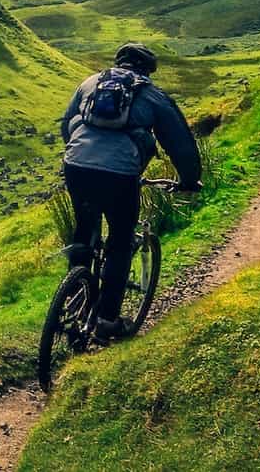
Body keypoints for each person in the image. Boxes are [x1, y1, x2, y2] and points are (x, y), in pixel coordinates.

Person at [58, 42, 202, 342]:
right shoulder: (152, 95)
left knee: (84, 231)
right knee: (121, 242)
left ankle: (75, 297)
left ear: (118, 62)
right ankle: (107, 320)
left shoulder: (90, 82)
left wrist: (81, 154)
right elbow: (180, 144)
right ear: (148, 70)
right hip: (120, 174)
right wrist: (189, 180)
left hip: (76, 166)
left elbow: (67, 123)